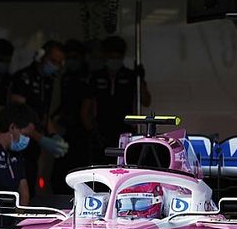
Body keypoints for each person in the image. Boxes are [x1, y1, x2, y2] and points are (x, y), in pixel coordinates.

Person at [9, 40, 73, 194]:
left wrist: (54, 135)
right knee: (17, 186)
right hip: (16, 142)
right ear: (41, 56)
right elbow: (19, 117)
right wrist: (42, 139)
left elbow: (43, 113)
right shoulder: (22, 78)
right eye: (52, 61)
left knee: (30, 184)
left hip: (33, 146)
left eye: (59, 63)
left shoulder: (48, 82)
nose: (55, 65)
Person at [81, 35, 151, 164]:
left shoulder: (131, 76)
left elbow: (146, 101)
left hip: (126, 131)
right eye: (111, 57)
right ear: (105, 57)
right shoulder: (96, 77)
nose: (114, 61)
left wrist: (141, 80)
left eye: (117, 58)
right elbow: (85, 110)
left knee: (126, 167)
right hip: (102, 132)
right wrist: (93, 132)